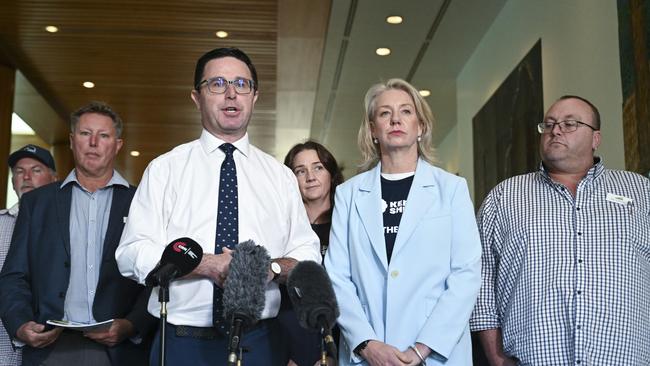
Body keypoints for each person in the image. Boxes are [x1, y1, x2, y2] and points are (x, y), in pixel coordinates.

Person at [115, 47, 321, 366]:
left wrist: (271, 268)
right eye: (217, 83)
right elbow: (130, 253)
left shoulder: (280, 177)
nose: (230, 94)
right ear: (197, 97)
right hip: (182, 343)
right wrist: (204, 264)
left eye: (242, 84)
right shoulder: (164, 169)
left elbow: (308, 255)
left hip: (261, 343)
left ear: (254, 96)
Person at [470, 95, 650, 365]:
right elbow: (479, 280)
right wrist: (496, 358)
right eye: (549, 124)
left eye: (570, 123)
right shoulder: (505, 197)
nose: (555, 130)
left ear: (595, 138)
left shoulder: (640, 192)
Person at [324, 78, 481, 366]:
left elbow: (466, 274)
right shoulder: (348, 194)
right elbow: (336, 277)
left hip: (436, 355)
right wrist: (367, 344)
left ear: (421, 126)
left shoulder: (452, 189)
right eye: (385, 113)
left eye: (406, 111)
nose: (396, 119)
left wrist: (421, 349)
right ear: (373, 129)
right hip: (368, 355)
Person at [0, 102, 156, 366]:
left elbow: (154, 276)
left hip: (117, 350)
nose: (93, 143)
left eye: (103, 136)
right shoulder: (37, 203)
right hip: (49, 346)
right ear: (72, 141)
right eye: (85, 134)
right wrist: (20, 324)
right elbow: (14, 275)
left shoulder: (142, 201)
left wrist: (131, 324)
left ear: (117, 145)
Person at [281, 141, 343, 365]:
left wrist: (334, 355)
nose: (310, 176)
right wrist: (286, 355)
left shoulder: (347, 226)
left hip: (339, 339)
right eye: (300, 171)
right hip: (289, 341)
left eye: (318, 167)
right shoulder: (282, 231)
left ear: (331, 173)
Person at [0, 145, 57, 366]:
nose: (26, 177)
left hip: (50, 347)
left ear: (54, 178)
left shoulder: (66, 226)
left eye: (36, 170)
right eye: (19, 171)